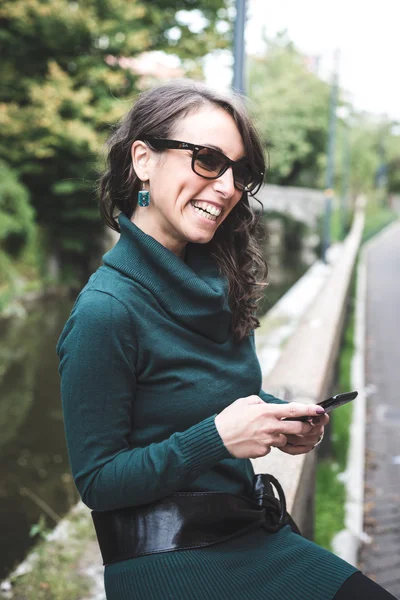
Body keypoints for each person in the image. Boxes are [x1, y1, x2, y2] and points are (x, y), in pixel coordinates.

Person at [57, 79, 397, 600]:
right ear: (143, 159)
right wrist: (217, 439)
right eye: (209, 160)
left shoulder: (220, 281)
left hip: (251, 533)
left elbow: (208, 401)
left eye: (241, 171)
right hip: (169, 562)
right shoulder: (105, 312)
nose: (227, 186)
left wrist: (279, 417)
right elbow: (99, 481)